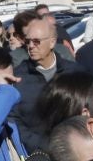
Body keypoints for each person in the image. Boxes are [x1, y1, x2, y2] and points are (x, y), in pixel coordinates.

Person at [11, 16, 84, 152]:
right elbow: (14, 120)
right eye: (27, 41)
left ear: (52, 42)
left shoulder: (74, 73)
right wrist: (41, 145)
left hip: (75, 150)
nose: (31, 46)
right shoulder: (17, 78)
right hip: (38, 154)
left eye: (36, 41)